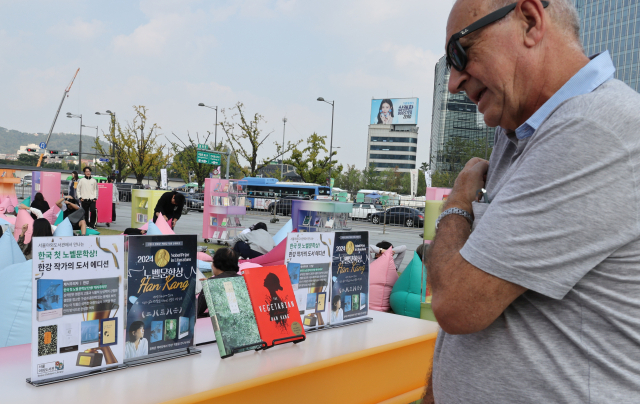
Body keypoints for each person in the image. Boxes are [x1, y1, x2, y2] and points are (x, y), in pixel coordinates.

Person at [425, 1, 640, 403]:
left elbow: (457, 304)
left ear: (530, 21)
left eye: (460, 52)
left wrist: (460, 197)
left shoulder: (591, 129)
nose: (453, 81)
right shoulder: (520, 134)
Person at [197, 248, 240, 318]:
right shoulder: (243, 280)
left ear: (216, 264)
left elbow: (197, 310)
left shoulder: (211, 284)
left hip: (220, 325)